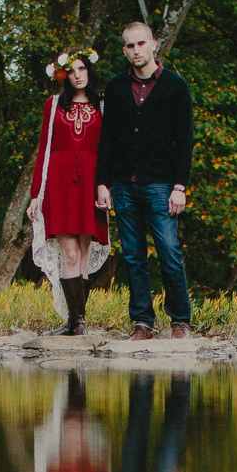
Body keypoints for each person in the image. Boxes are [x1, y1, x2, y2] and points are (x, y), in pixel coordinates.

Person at [95, 19, 195, 341]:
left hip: (162, 184)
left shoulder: (175, 87)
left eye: (141, 43)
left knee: (168, 251)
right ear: (124, 50)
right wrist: (103, 182)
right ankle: (143, 323)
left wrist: (180, 186)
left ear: (153, 44)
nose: (136, 50)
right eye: (130, 45)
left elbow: (185, 140)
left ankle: (180, 321)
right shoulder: (115, 88)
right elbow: (107, 139)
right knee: (133, 256)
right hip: (123, 185)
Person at [26, 50, 111, 336]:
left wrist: (106, 184)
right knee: (70, 254)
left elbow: (109, 151)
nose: (78, 74)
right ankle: (76, 323)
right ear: (64, 75)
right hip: (60, 182)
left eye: (82, 68)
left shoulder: (102, 105)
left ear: (90, 71)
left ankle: (77, 323)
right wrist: (37, 193)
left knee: (83, 255)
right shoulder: (53, 106)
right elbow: (44, 151)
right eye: (72, 70)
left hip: (91, 181)